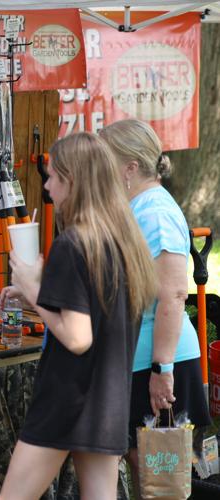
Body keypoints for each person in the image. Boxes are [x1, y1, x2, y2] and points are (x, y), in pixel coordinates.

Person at [0, 133, 157, 499]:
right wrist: (41, 292)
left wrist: (33, 289)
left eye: (53, 176)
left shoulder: (74, 243)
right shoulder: (121, 240)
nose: (48, 186)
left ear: (74, 180)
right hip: (108, 399)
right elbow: (95, 311)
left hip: (67, 399)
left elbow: (78, 336)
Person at [99, 119, 211, 496]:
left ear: (130, 167)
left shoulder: (155, 213)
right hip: (143, 363)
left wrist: (162, 371)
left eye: (106, 161)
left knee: (163, 483)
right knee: (150, 477)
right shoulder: (140, 207)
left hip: (160, 366)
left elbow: (174, 294)